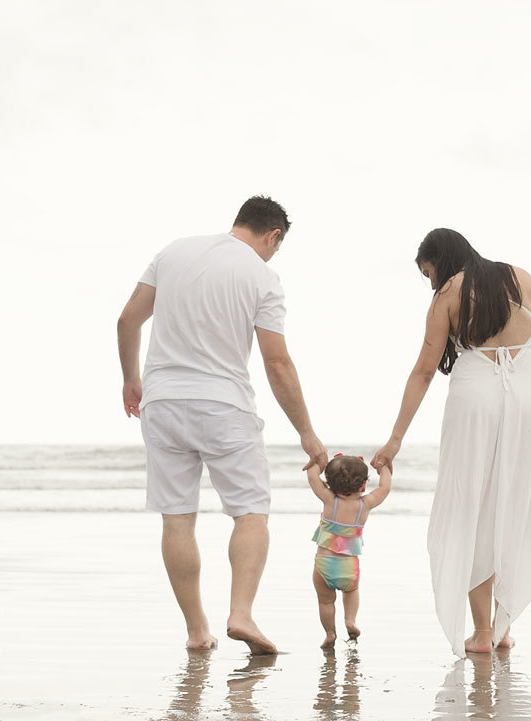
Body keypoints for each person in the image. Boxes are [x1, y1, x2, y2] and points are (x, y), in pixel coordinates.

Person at [116, 195, 328, 655]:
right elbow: (277, 361)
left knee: (177, 519)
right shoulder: (262, 276)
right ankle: (241, 613)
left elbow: (128, 318)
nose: (274, 254)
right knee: (250, 511)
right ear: (273, 235)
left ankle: (196, 631)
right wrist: (306, 432)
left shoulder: (172, 252)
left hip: (163, 402)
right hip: (224, 405)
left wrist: (132, 380)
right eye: (278, 245)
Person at [371, 228, 531, 657]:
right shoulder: (523, 278)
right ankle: (504, 625)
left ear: (440, 261)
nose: (429, 282)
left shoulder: (447, 294)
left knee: (472, 507)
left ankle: (483, 633)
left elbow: (424, 371)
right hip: (530, 395)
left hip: (476, 393)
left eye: (428, 272)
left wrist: (394, 440)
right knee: (514, 503)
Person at [306, 453, 392, 648]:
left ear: (330, 484)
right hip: (348, 567)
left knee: (326, 602)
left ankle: (329, 633)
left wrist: (317, 460)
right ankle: (350, 620)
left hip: (323, 564)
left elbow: (312, 477)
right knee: (351, 591)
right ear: (362, 485)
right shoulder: (365, 504)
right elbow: (385, 487)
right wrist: (384, 466)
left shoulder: (329, 500)